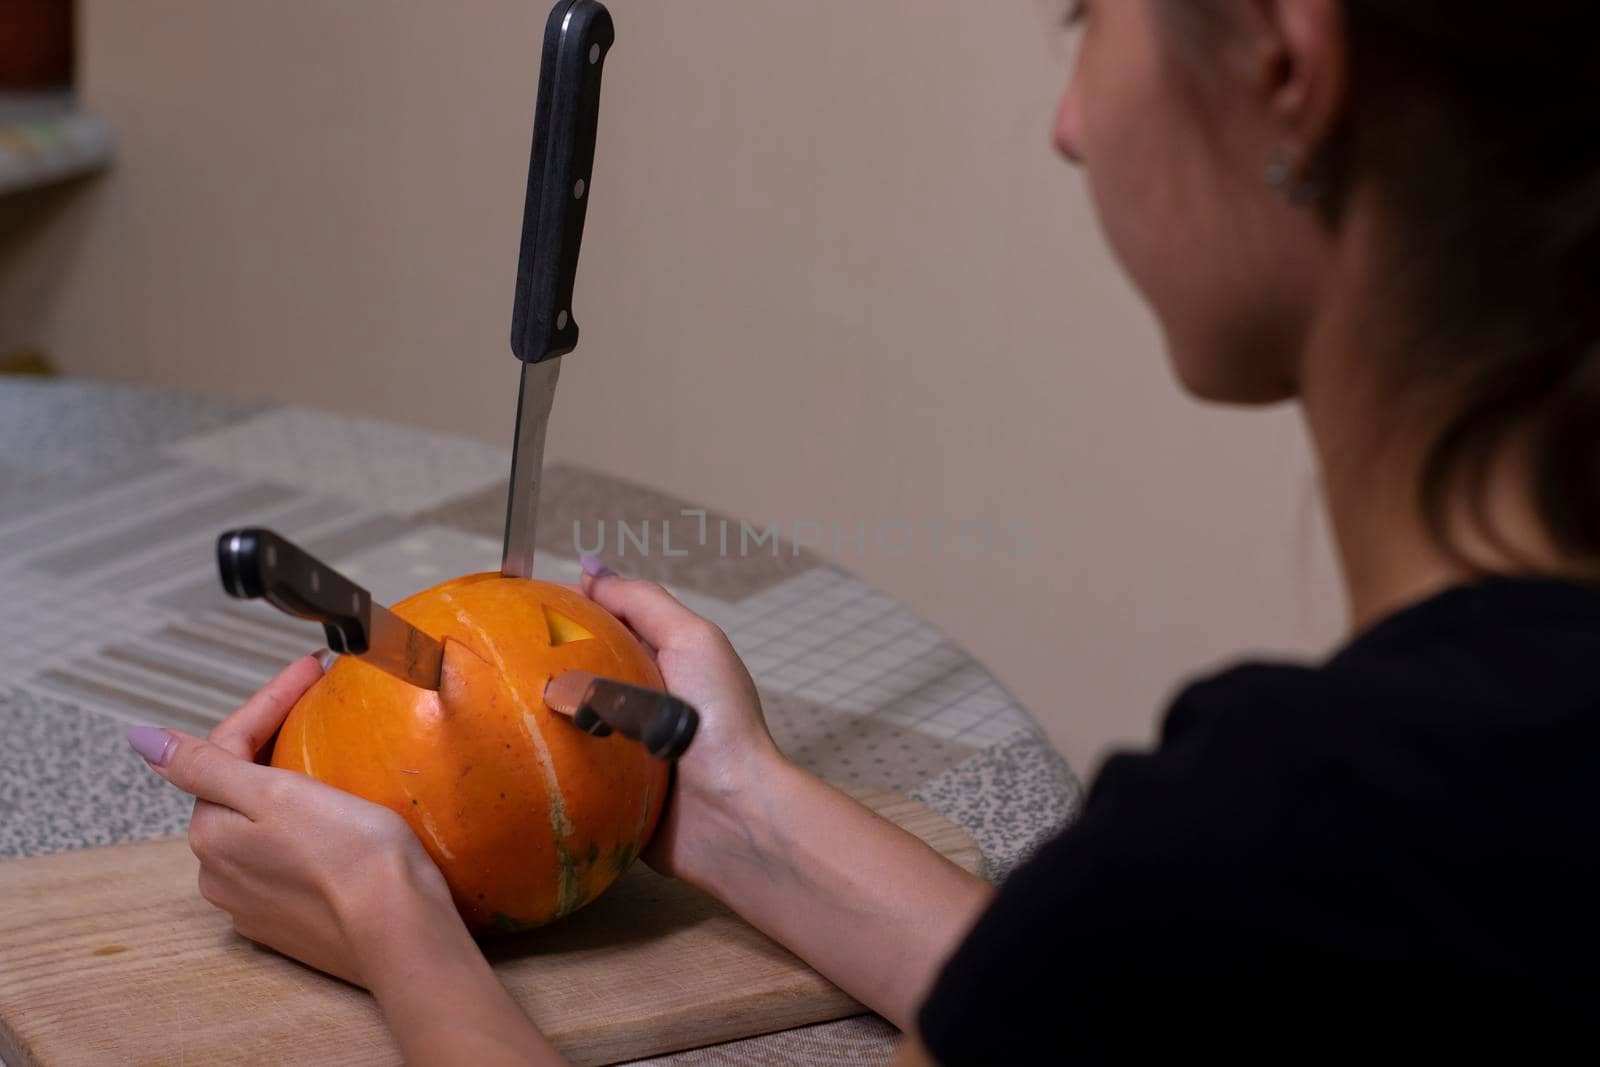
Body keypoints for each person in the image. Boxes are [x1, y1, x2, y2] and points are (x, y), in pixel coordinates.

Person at [124, 0, 1600, 1061]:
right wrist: (739, 804)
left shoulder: (1297, 851)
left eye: (1087, 13)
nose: (1070, 123)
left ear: (1289, 60)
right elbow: (1109, 1007)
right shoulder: (1358, 860)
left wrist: (397, 924)